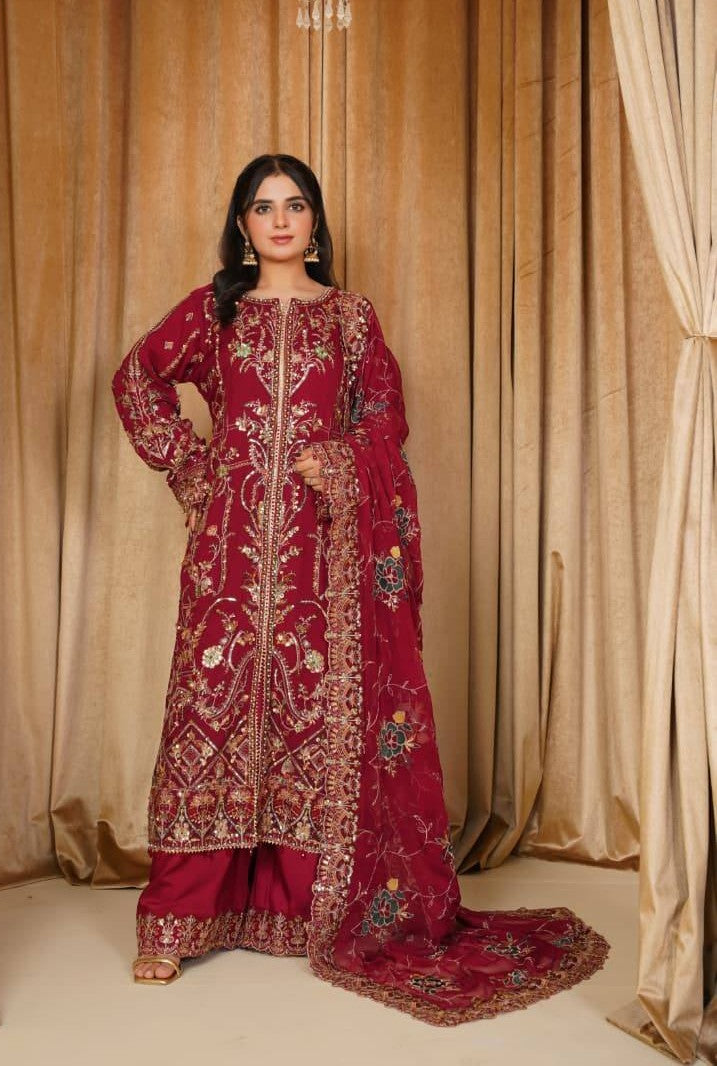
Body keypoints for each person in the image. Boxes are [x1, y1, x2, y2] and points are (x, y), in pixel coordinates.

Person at [111, 154, 609, 1023]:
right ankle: (181, 915)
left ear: (314, 221)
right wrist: (192, 470)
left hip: (318, 553)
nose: (278, 220)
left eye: (293, 205)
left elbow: (386, 415)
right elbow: (136, 380)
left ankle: (305, 906)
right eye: (261, 207)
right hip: (226, 556)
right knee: (212, 709)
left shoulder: (348, 317)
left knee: (310, 716)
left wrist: (343, 459)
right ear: (240, 224)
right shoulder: (214, 310)